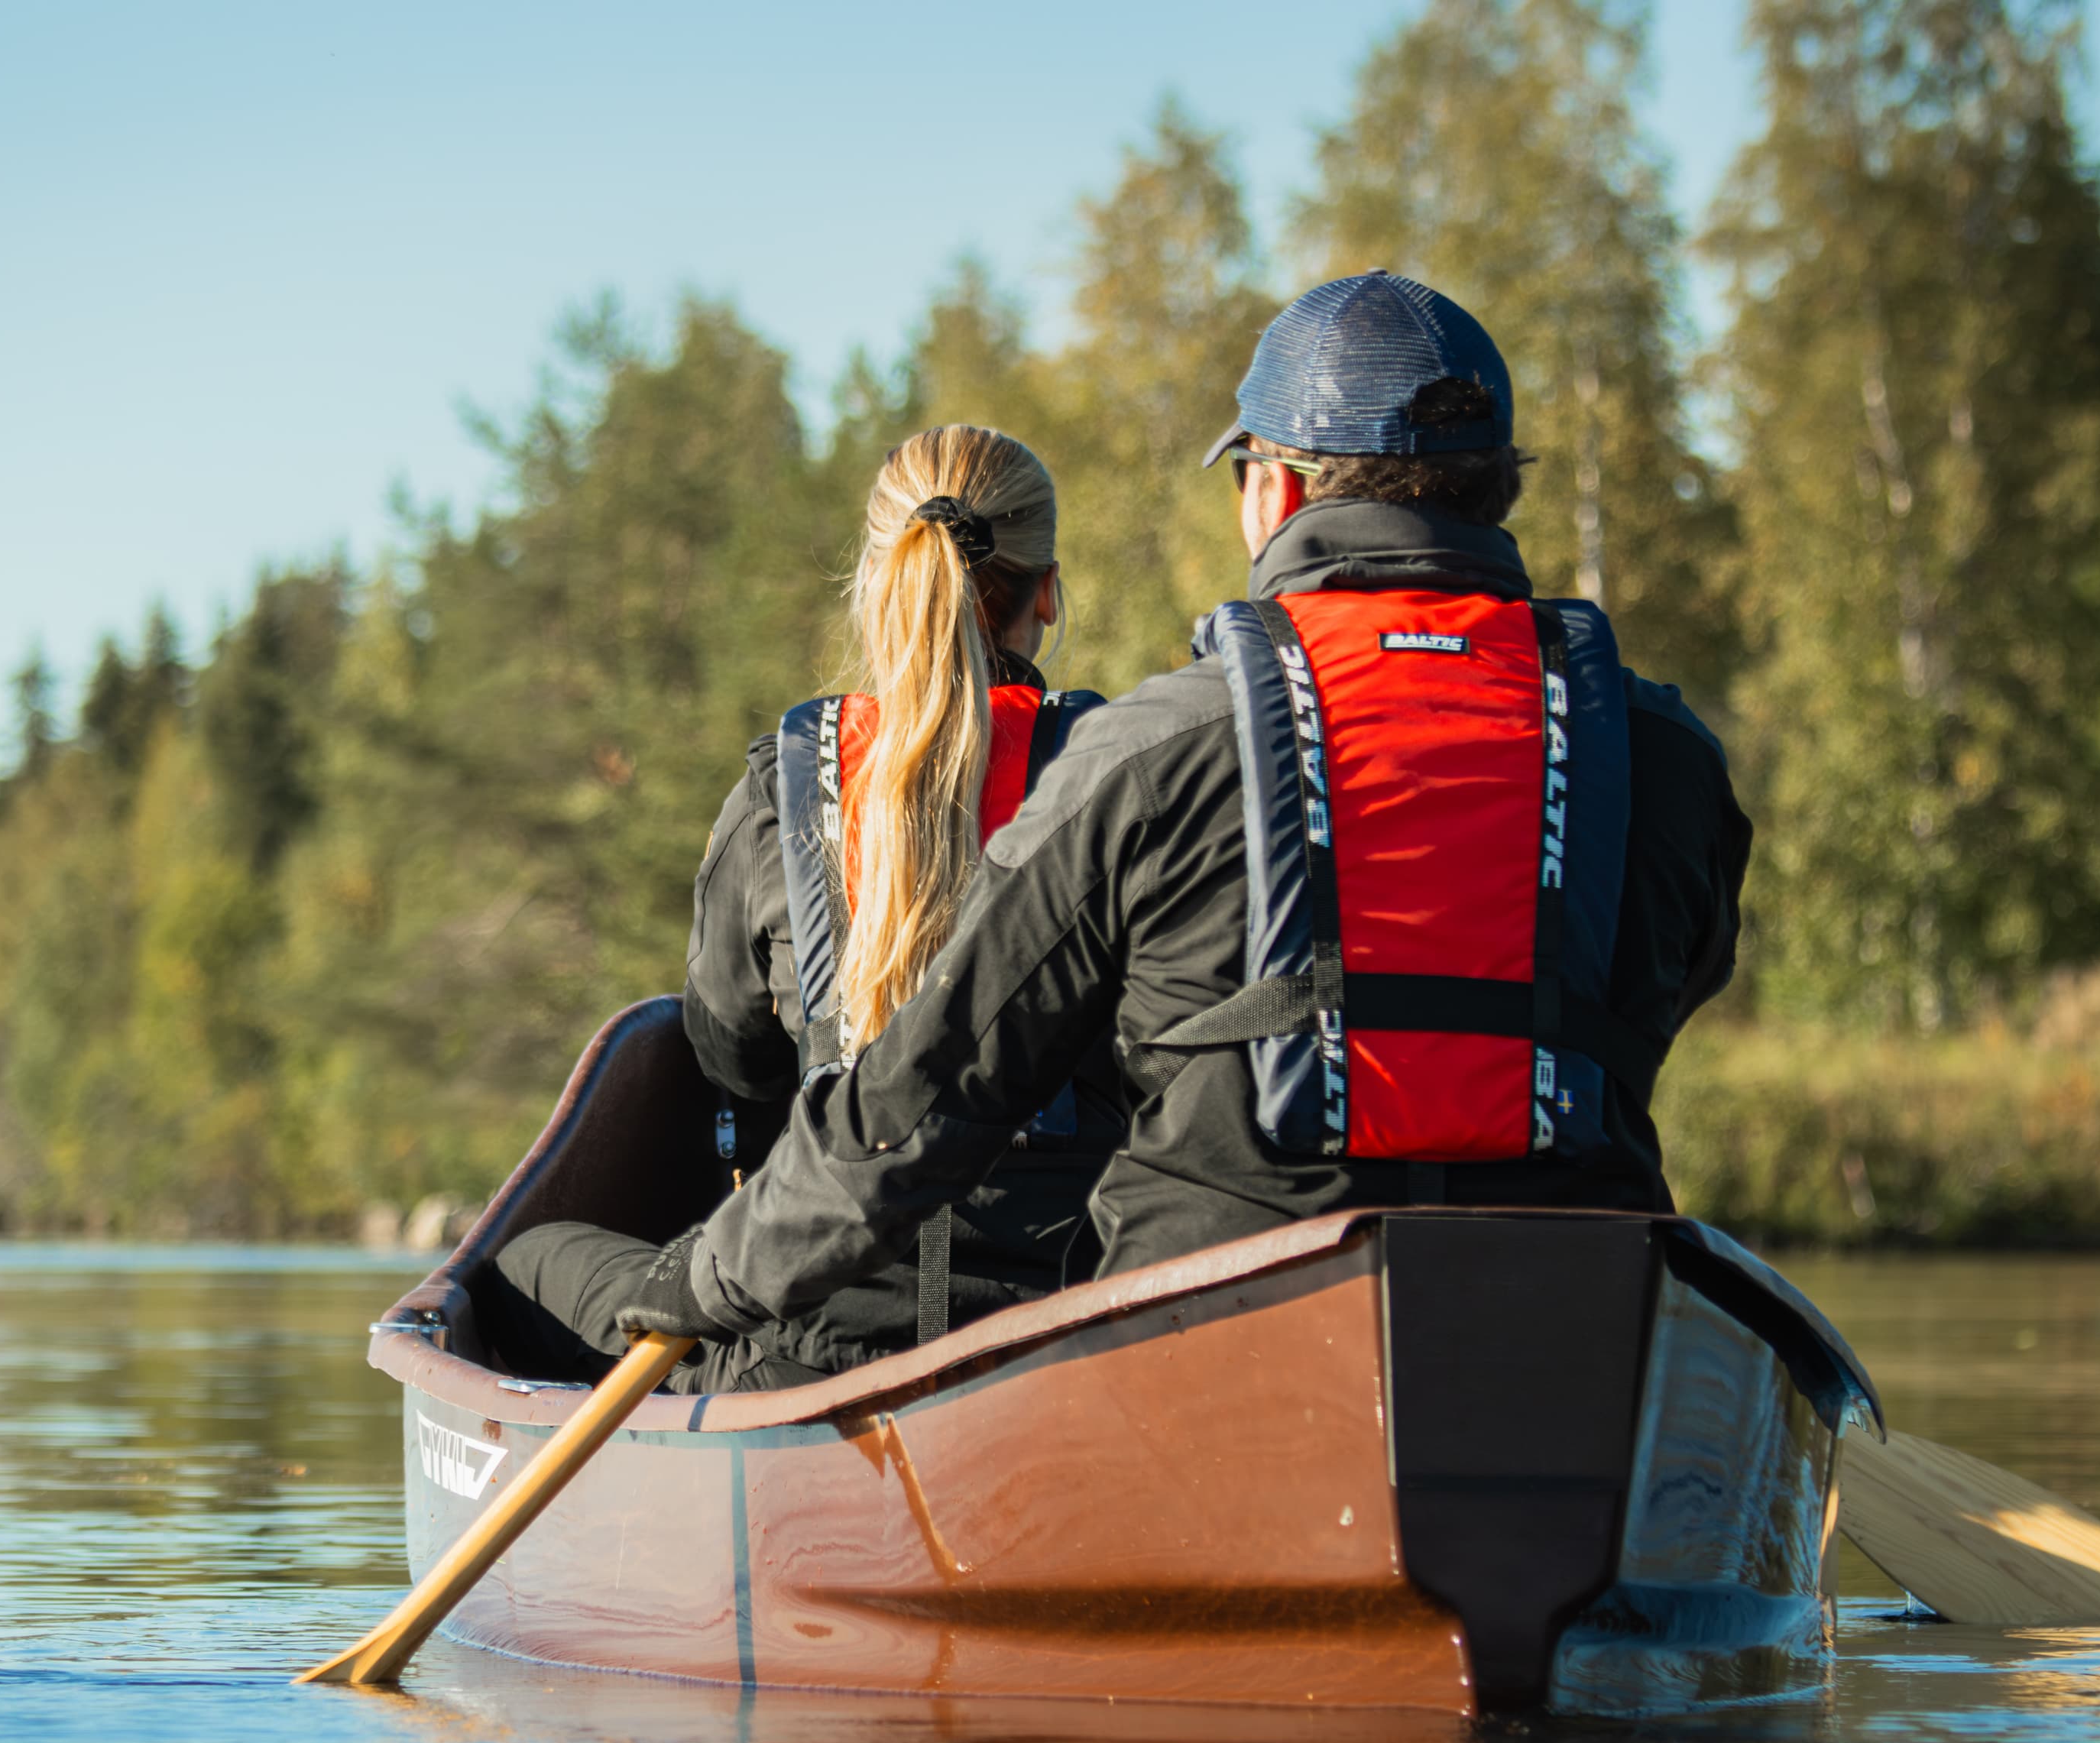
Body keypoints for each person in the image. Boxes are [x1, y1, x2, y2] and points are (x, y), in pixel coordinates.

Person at [596, 272, 1752, 1360]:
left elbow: (924, 1098)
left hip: (1218, 1339)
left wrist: (697, 1286)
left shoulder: (1153, 754)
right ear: (1501, 484)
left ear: (1274, 490)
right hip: (1570, 1320)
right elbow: (1668, 990)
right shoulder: (1669, 759)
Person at [472, 425, 1126, 1391]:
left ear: (874, 581)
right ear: (1049, 592)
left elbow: (728, 1049)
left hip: (811, 1349)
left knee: (515, 1264)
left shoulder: (782, 791)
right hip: (1062, 1321)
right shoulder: (1121, 772)